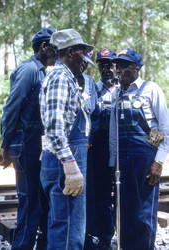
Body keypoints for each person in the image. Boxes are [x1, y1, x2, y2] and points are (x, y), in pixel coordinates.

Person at [0, 28, 57, 250]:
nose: (57, 52)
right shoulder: (29, 70)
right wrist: (6, 145)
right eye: (54, 47)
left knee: (42, 201)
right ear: (44, 47)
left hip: (38, 144)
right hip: (26, 143)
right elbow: (12, 108)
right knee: (30, 201)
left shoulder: (43, 71)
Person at [109, 48, 169, 250]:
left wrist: (158, 162)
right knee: (123, 208)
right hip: (122, 160)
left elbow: (165, 129)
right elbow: (113, 131)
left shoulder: (150, 89)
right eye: (117, 66)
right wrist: (112, 161)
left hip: (145, 158)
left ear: (136, 69)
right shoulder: (117, 93)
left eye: (123, 66)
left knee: (143, 212)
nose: (118, 71)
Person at [39, 28, 94, 250]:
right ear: (71, 52)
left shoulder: (67, 78)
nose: (86, 60)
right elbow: (54, 127)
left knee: (68, 225)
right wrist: (70, 166)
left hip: (65, 160)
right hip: (65, 162)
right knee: (68, 229)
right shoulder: (61, 78)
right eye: (83, 53)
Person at [84, 48, 117, 250]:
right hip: (97, 150)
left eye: (110, 65)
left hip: (121, 150)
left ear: (116, 67)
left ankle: (116, 234)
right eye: (103, 66)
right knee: (99, 194)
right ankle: (101, 236)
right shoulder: (92, 90)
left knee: (121, 194)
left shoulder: (124, 91)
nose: (107, 70)